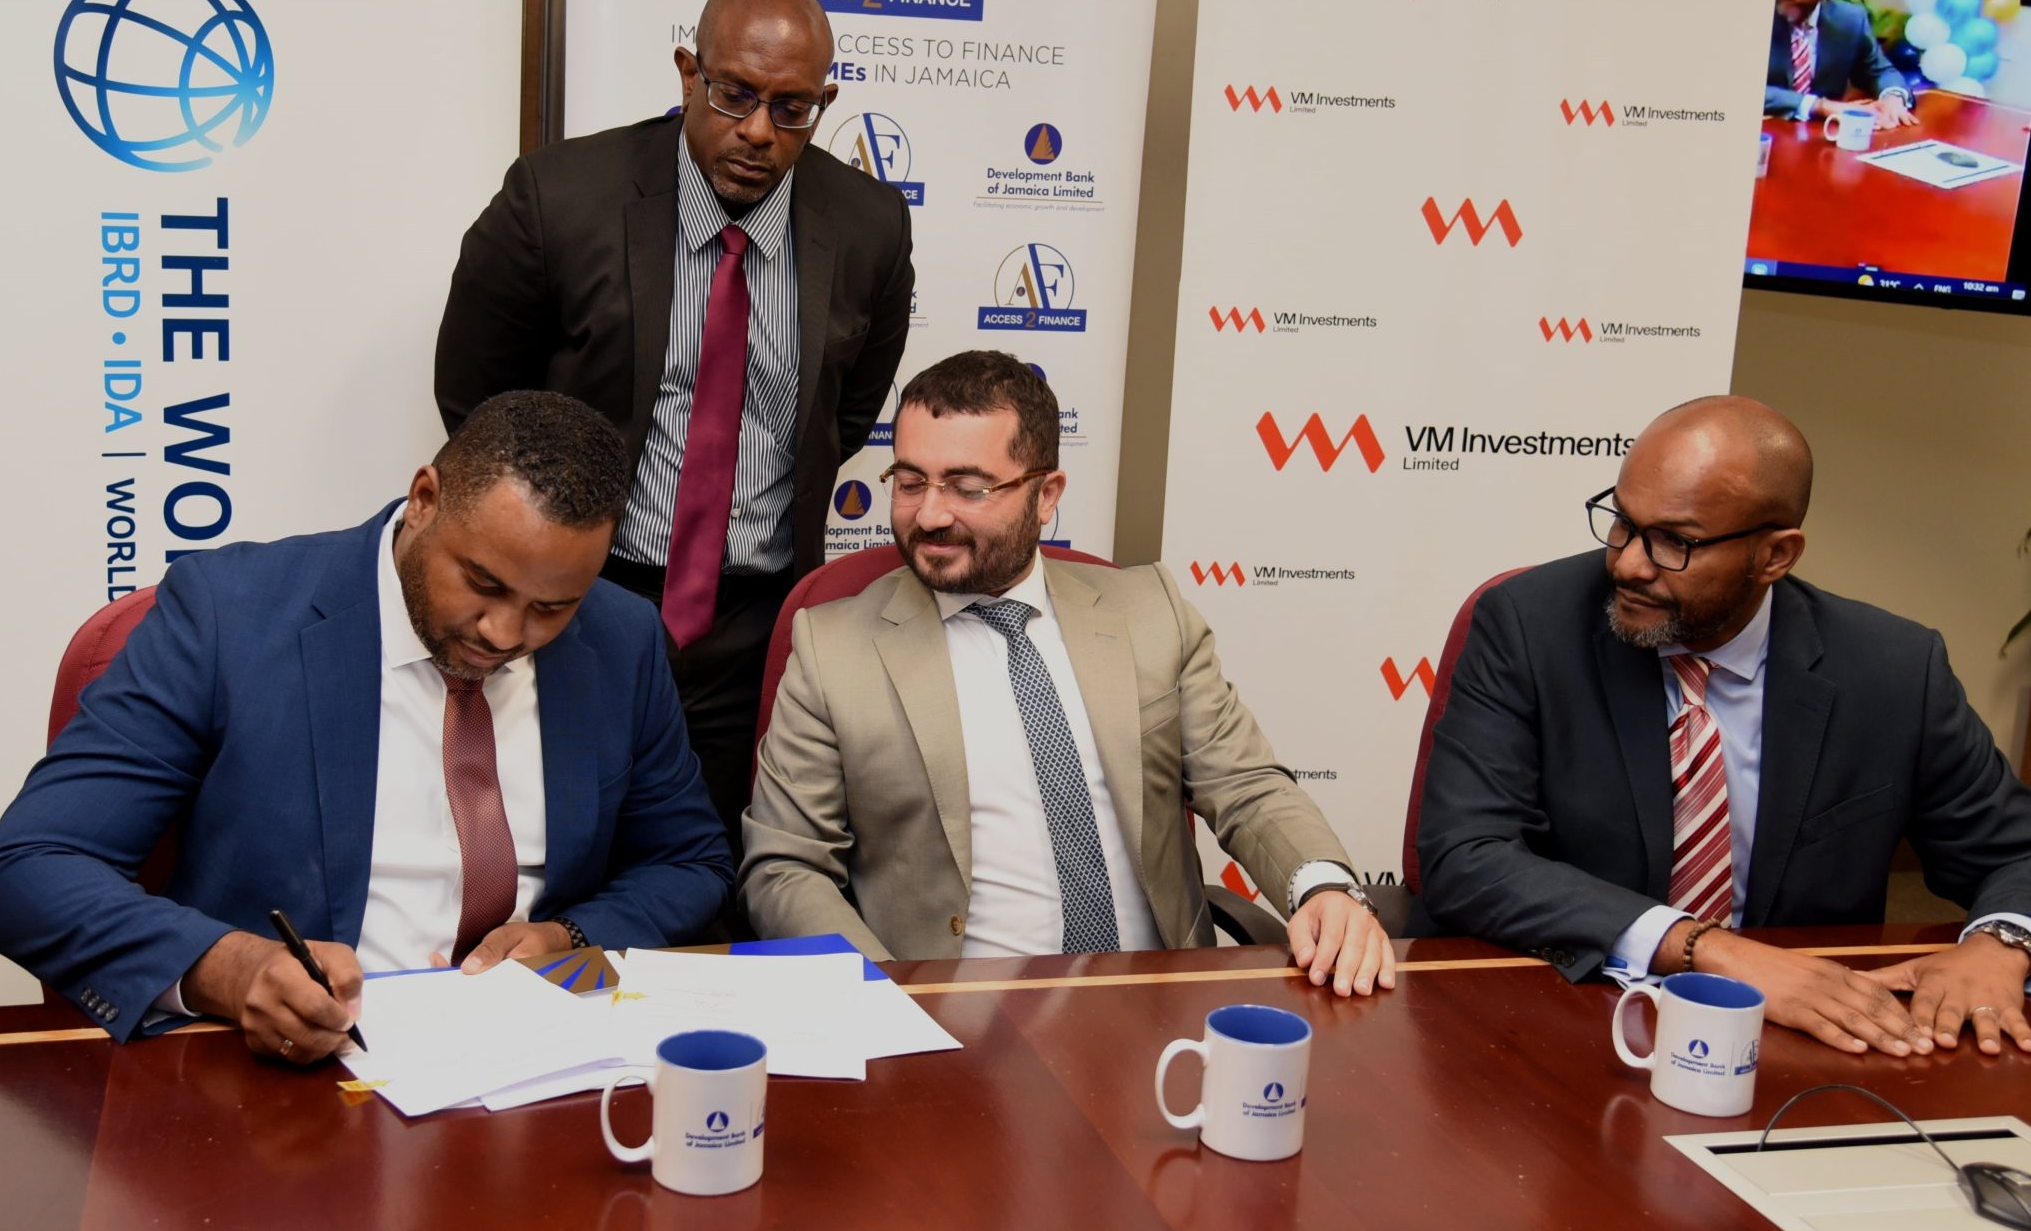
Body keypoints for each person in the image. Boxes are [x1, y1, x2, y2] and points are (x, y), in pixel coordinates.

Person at [0, 391, 732, 1062]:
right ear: (425, 499)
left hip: (542, 1065)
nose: (506, 633)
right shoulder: (229, 615)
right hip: (289, 1080)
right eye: (482, 583)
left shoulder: (620, 638)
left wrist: (569, 939)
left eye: (552, 607)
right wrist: (229, 967)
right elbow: (25, 868)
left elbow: (689, 861)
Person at [742, 351, 1395, 996]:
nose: (932, 514)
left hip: (1158, 1013)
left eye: (969, 488)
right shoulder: (834, 649)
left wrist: (1323, 887)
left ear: (1046, 494)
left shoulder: (1150, 615)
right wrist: (886, 1001)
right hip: (954, 1022)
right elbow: (786, 867)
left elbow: (1247, 786)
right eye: (911, 482)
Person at [435, 0, 914, 853]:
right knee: (562, 853)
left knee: (711, 874)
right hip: (579, 603)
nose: (759, 132)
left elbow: (841, 421)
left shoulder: (869, 224)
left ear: (826, 103)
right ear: (688, 74)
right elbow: (478, 403)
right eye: (735, 94)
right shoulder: (560, 199)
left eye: (793, 108)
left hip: (754, 622)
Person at [1413, 396, 2031, 1057]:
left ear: (1775, 556)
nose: (1627, 563)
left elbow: (2013, 850)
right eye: (1623, 522)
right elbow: (1466, 854)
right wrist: (1705, 949)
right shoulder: (1531, 626)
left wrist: (2002, 941)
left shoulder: (1894, 671)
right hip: (1570, 1017)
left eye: (1674, 542)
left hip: (1804, 1043)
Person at [1764, 0, 1918, 127]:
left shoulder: (1849, 20)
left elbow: (1879, 71)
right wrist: (1819, 106)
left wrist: (1893, 97)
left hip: (1821, 136)